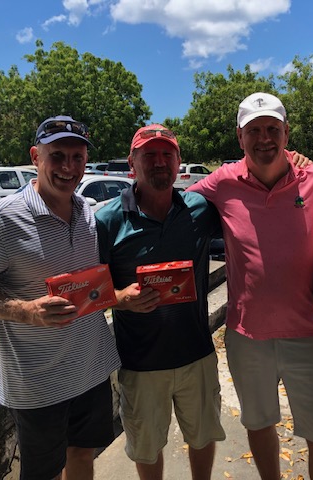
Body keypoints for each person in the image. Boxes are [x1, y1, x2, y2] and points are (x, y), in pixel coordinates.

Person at [0, 115, 121, 480]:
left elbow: (92, 287)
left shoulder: (87, 212)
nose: (68, 167)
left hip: (91, 367)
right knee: (44, 471)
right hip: (37, 381)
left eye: (77, 158)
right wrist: (26, 311)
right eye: (57, 155)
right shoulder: (1, 219)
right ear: (35, 156)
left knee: (83, 454)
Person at [189, 93, 313, 479]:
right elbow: (173, 207)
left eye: (273, 129)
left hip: (306, 333)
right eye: (254, 130)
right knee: (258, 424)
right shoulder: (222, 182)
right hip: (247, 336)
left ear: (286, 133)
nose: (264, 138)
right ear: (240, 137)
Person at [95, 124, 226, 480]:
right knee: (147, 447)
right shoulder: (107, 220)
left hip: (196, 354)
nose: (159, 162)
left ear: (179, 162)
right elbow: (90, 291)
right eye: (149, 155)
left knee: (203, 436)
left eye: (167, 154)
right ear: (131, 163)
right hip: (140, 363)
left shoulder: (200, 209)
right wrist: (120, 298)